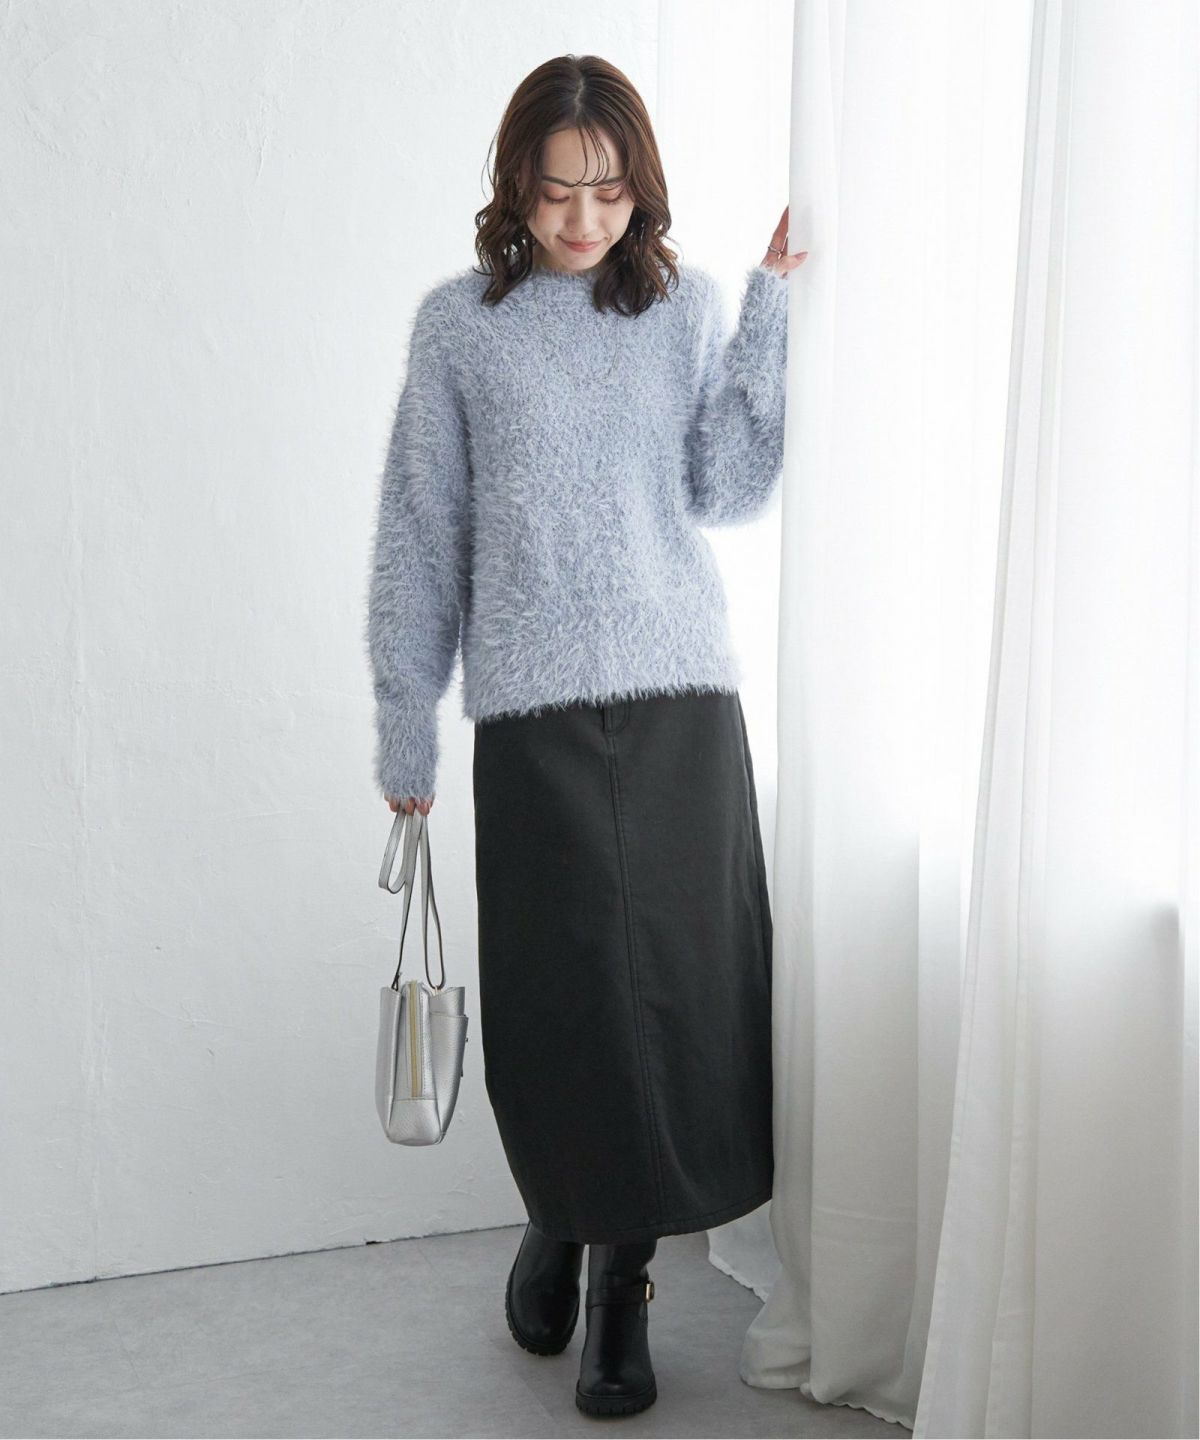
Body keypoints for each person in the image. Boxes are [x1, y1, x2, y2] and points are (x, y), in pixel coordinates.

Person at [366, 52, 807, 1419]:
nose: (581, 219)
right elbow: (420, 533)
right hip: (534, 713)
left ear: (640, 190)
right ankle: (559, 1215)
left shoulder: (682, 310)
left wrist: (769, 315)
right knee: (567, 1004)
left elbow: (726, 487)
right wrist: (406, 726)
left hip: (679, 700)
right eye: (557, 192)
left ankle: (624, 1287)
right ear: (515, 187)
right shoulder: (460, 329)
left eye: (607, 192)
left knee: (675, 998)